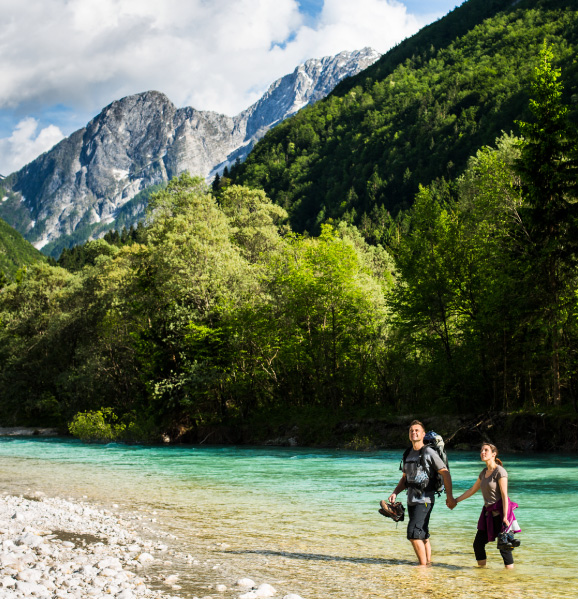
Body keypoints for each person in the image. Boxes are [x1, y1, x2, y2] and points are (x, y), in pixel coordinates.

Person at [388, 420, 454, 567]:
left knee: (413, 533)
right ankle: (428, 564)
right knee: (422, 533)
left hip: (425, 499)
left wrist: (450, 496)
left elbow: (445, 473)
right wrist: (395, 493)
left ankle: (422, 568)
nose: (414, 432)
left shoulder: (429, 452)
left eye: (417, 430)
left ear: (423, 434)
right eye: (411, 430)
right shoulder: (407, 453)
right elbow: (405, 479)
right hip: (411, 499)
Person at [448, 443, 518, 569]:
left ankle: (510, 578)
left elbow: (504, 495)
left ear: (494, 454)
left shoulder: (500, 472)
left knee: (504, 548)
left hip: (501, 515)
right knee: (478, 544)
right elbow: (472, 490)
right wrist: (455, 501)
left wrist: (505, 518)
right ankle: (482, 572)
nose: (482, 452)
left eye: (486, 450)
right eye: (481, 450)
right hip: (488, 515)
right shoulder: (484, 472)